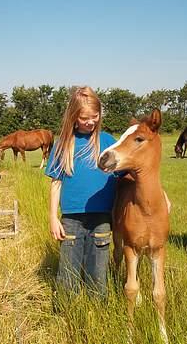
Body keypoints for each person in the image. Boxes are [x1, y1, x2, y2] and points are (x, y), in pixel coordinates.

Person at [45, 86, 116, 297]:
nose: (91, 121)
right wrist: (52, 217)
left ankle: (97, 312)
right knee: (68, 274)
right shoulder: (63, 145)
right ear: (74, 117)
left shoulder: (108, 142)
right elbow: (56, 184)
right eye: (85, 118)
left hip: (102, 217)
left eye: (95, 116)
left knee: (98, 273)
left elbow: (132, 175)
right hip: (71, 220)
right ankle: (67, 312)